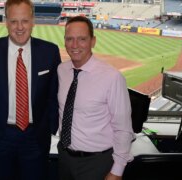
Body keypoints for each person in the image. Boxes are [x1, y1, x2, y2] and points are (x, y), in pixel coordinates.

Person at [0, 0, 61, 179]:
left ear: (33, 20)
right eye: (13, 21)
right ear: (6, 22)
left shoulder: (49, 51)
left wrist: (49, 128)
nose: (19, 27)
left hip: (35, 138)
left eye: (25, 20)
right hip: (0, 137)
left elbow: (54, 94)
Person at [57, 16, 135, 180]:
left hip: (97, 163)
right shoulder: (62, 70)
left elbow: (123, 128)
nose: (75, 45)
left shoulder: (112, 77)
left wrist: (117, 171)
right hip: (64, 158)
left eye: (82, 39)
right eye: (69, 39)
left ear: (93, 41)